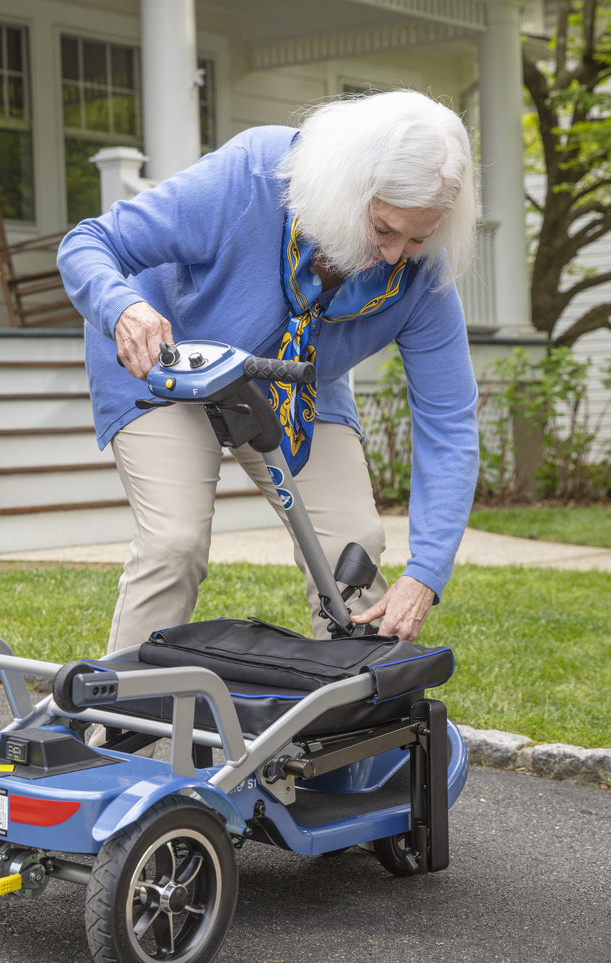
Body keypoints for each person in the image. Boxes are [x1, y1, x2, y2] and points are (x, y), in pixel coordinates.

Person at [57, 89, 480, 653]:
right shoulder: (253, 176)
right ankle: (114, 725)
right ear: (346, 189)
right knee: (174, 544)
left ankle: (351, 727)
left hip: (294, 383)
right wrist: (123, 311)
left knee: (351, 545)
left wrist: (426, 574)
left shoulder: (421, 276)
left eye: (418, 237)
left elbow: (449, 419)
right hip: (166, 361)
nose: (396, 256)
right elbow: (90, 243)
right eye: (383, 230)